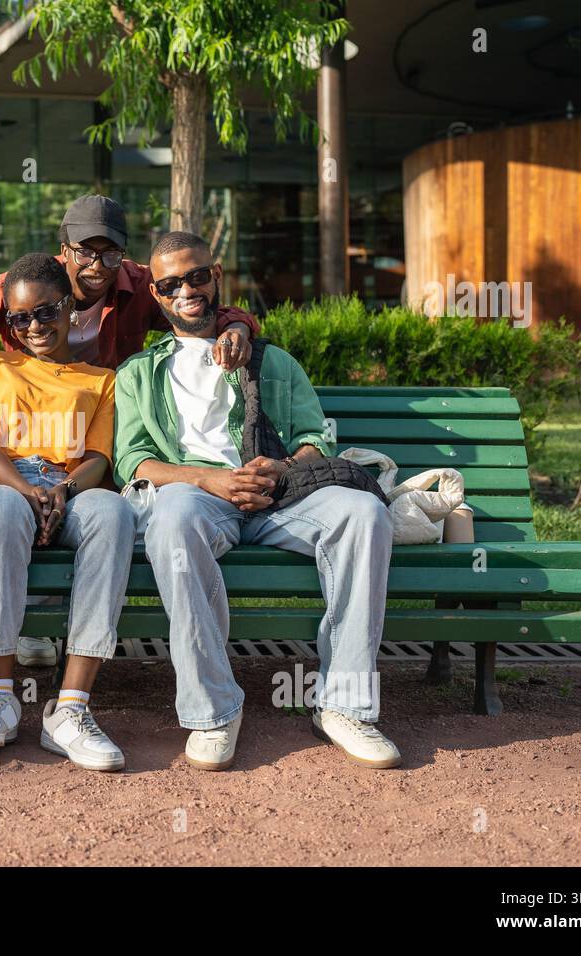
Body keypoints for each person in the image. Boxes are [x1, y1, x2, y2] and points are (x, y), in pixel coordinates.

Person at [0, 195, 260, 667]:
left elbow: (194, 304)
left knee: (100, 508)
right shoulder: (15, 288)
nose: (98, 265)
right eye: (86, 251)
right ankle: (19, 645)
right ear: (64, 251)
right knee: (12, 502)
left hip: (93, 425)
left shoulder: (140, 284)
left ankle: (72, 678)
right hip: (22, 441)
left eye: (111, 253)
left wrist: (239, 328)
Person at [112, 231, 402, 772]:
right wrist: (209, 481)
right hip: (201, 499)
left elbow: (318, 438)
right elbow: (134, 461)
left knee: (364, 513)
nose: (186, 290)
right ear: (156, 295)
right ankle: (215, 710)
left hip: (282, 496)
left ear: (216, 276)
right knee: (170, 518)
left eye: (196, 276)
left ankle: (344, 705)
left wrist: (287, 465)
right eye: (170, 283)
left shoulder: (274, 361)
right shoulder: (139, 373)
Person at [0, 252, 134, 772]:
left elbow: (99, 458)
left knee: (114, 515)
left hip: (69, 490)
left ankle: (71, 708)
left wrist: (64, 490)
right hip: (4, 486)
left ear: (70, 308)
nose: (33, 325)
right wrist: (26, 489)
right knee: (7, 509)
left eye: (46, 312)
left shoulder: (101, 381)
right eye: (19, 317)